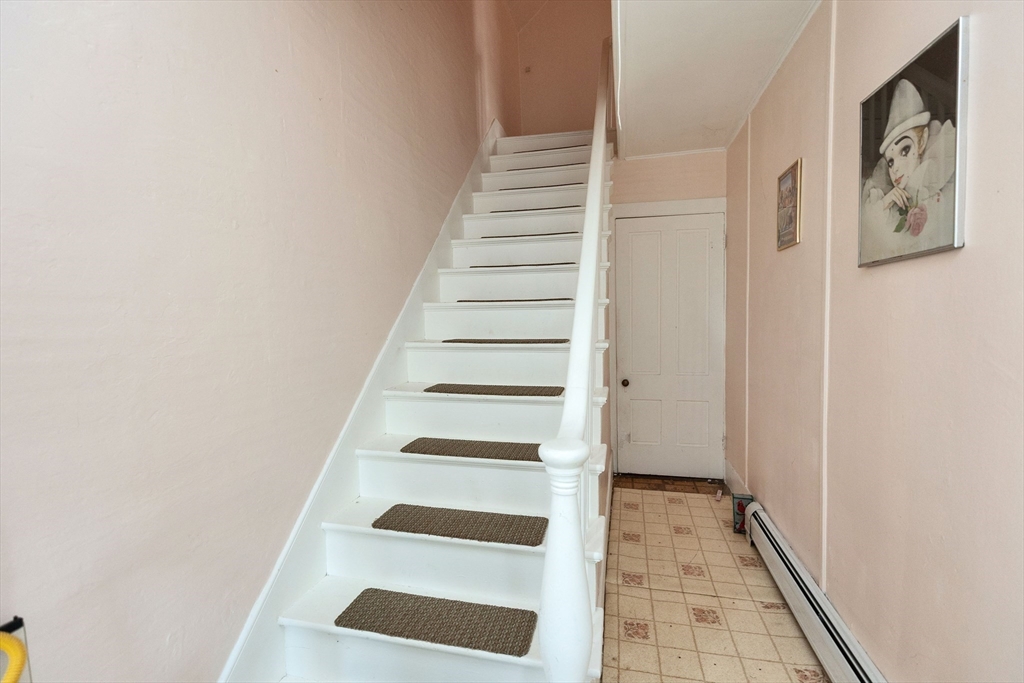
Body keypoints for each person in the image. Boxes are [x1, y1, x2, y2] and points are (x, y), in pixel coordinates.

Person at [860, 78, 956, 263]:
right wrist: (886, 201)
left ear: (922, 141)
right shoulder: (889, 205)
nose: (895, 168)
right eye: (890, 161)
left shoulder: (942, 189)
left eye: (904, 150)